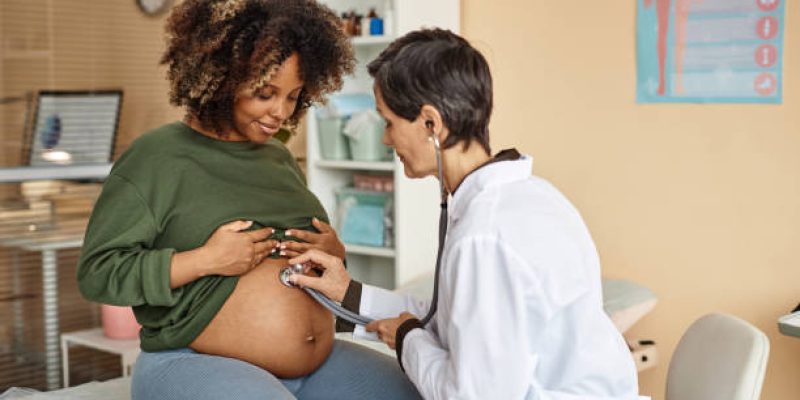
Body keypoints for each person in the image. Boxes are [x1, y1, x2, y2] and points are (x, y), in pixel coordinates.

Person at [76, 1, 420, 399]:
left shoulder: (278, 157)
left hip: (319, 365)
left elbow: (296, 264)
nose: (279, 112)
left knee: (423, 390)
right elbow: (98, 272)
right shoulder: (156, 158)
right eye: (265, 93)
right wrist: (205, 260)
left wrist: (333, 253)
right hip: (196, 360)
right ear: (222, 77)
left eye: (292, 97)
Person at [288, 29, 643, 399]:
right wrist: (348, 293)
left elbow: (471, 396)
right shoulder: (534, 196)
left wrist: (408, 340)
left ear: (431, 123)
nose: (386, 139)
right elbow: (452, 321)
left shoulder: (485, 235)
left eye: (389, 122)